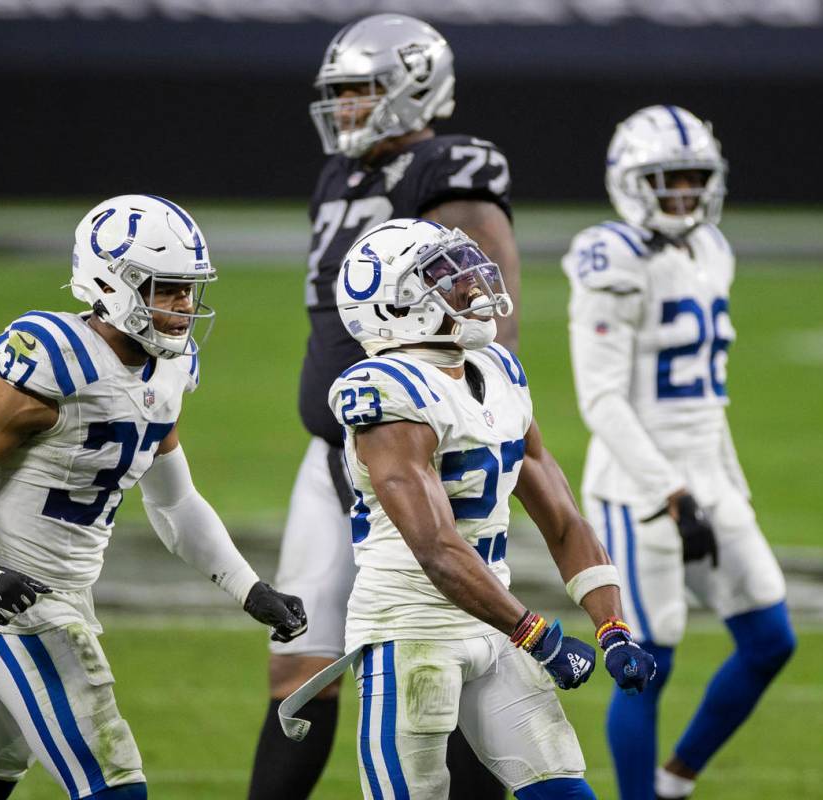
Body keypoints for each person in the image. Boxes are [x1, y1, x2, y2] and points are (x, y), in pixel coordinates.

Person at [0, 195, 306, 800]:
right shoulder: (53, 360)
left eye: (189, 290)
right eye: (166, 289)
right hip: (12, 602)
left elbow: (175, 502)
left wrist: (250, 587)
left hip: (67, 588)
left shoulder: (168, 369)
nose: (183, 307)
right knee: (114, 785)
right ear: (112, 284)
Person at [248, 13, 521, 799]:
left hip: (418, 448)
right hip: (331, 449)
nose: (347, 109)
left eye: (363, 91)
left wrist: (472, 425)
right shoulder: (342, 175)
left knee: (460, 647)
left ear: (416, 86)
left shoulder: (448, 170)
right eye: (338, 94)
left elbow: (489, 315)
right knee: (300, 662)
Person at [293, 217, 655, 798]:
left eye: (460, 265)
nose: (468, 282)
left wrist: (612, 627)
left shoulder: (499, 371)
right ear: (393, 306)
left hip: (496, 625)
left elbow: (563, 520)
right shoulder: (385, 389)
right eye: (439, 273)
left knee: (563, 790)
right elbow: (436, 548)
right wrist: (538, 635)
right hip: (409, 631)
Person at [561, 106, 796, 800]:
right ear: (632, 183)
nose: (685, 195)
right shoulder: (611, 259)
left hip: (708, 474)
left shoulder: (712, 249)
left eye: (696, 180)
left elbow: (709, 396)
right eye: (670, 181)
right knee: (646, 659)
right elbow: (601, 400)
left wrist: (724, 482)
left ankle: (674, 781)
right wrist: (670, 491)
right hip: (639, 488)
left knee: (771, 639)